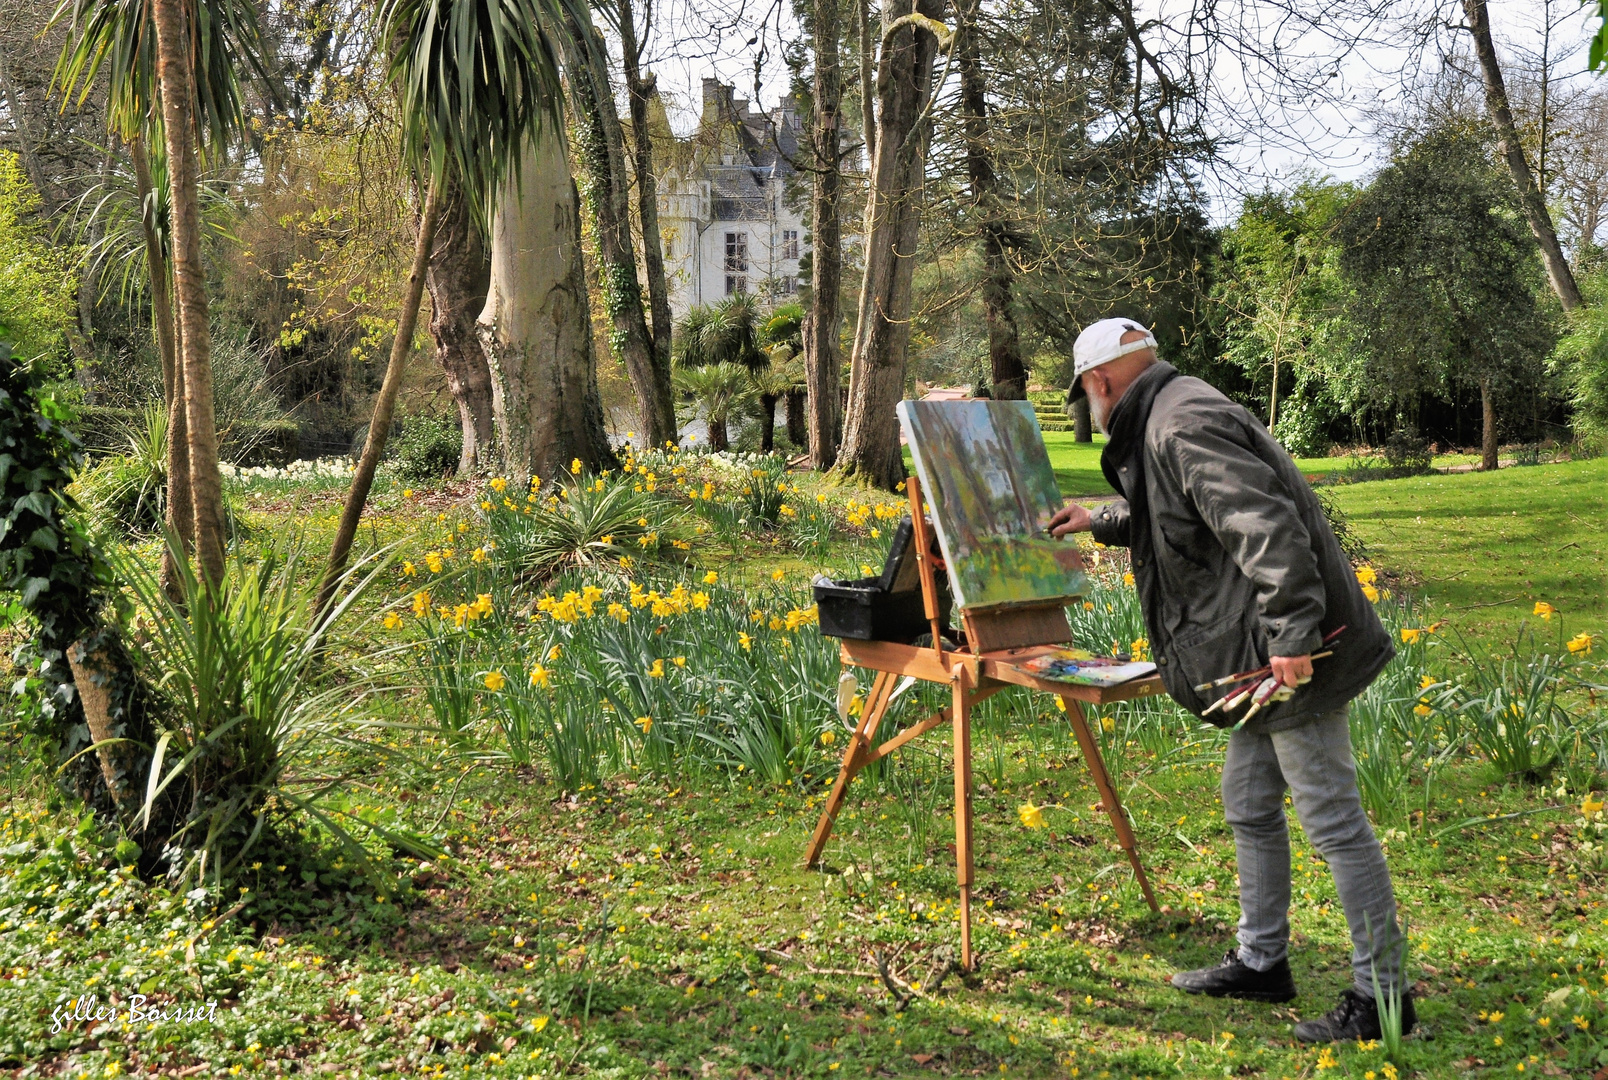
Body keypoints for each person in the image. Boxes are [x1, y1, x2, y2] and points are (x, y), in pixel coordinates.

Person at [1047, 317, 1413, 1043]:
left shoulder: (1176, 425)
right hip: (1258, 653)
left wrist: (1294, 634)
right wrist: (1101, 518)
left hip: (1284, 651)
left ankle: (1384, 999)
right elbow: (1183, 512)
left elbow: (1266, 528)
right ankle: (1261, 962)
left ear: (1098, 381)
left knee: (1334, 820)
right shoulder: (1174, 411)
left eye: (1083, 394)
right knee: (1248, 802)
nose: (1087, 405)